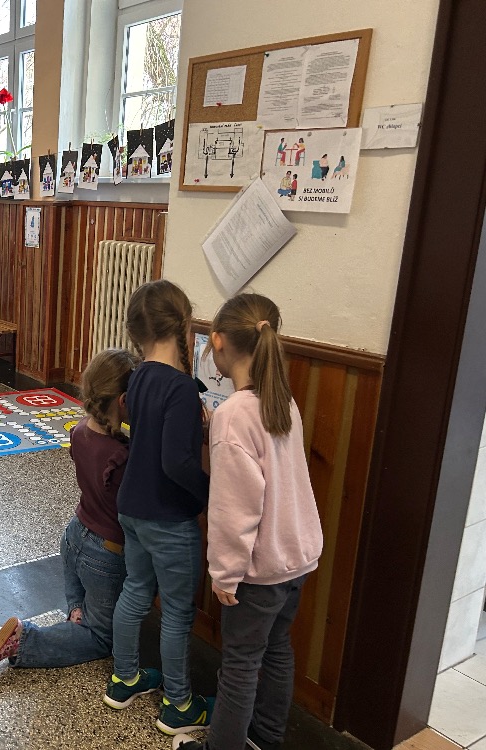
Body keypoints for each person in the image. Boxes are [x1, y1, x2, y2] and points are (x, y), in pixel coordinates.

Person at [172, 294, 323, 750]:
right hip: (296, 559)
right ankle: (265, 738)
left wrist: (225, 572)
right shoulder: (283, 402)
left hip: (259, 570)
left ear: (217, 341)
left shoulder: (234, 415)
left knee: (239, 664)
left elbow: (234, 508)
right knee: (276, 650)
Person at [0, 348, 155, 676]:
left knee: (84, 602)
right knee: (102, 637)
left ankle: (77, 612)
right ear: (125, 400)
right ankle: (25, 641)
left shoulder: (80, 431)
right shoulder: (122, 457)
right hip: (105, 555)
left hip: (74, 536)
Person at [104, 280, 212, 736]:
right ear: (184, 326)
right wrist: (209, 494)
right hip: (169, 518)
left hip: (132, 506)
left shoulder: (139, 376)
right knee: (177, 612)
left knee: (135, 590)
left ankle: (124, 678)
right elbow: (176, 462)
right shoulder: (182, 388)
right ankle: (179, 704)